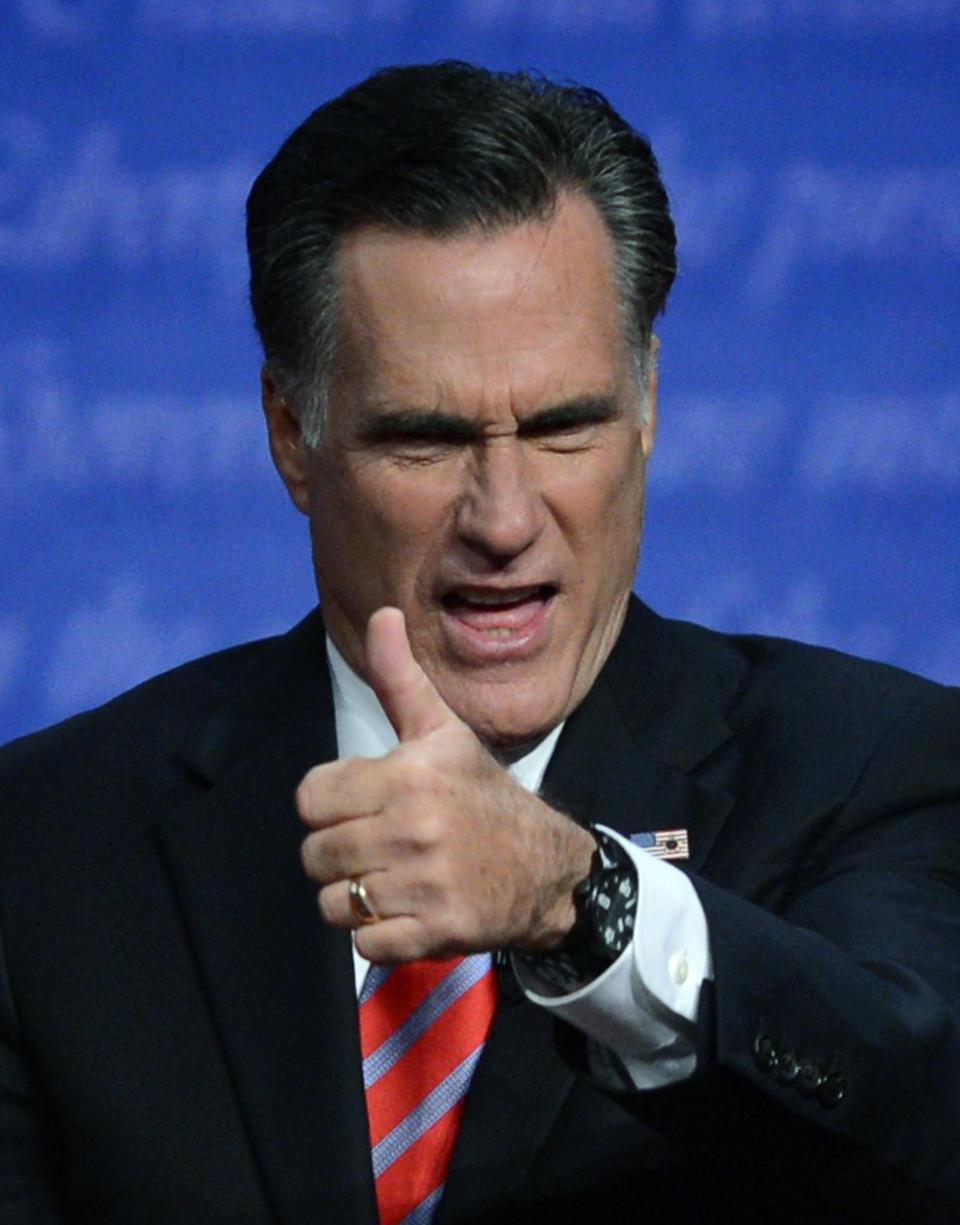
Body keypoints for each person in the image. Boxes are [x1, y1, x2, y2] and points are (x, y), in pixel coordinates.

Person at [1, 61, 958, 1225]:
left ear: (649, 400)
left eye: (564, 426)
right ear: (292, 438)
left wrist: (575, 898)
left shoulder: (874, 766)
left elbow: (917, 1125)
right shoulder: (45, 844)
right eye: (424, 438)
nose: (504, 520)